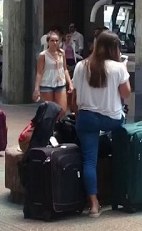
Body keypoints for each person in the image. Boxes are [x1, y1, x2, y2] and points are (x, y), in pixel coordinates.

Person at [72, 31, 130, 217]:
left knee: (89, 161)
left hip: (87, 118)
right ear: (115, 48)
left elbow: (74, 95)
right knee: (121, 148)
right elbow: (126, 94)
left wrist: (76, 114)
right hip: (112, 119)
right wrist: (124, 69)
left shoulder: (81, 66)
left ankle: (94, 204)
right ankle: (122, 191)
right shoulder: (118, 68)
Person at [33, 31, 74, 112]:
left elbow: (65, 68)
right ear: (48, 42)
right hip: (47, 84)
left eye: (56, 40)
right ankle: (50, 124)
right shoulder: (43, 55)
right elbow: (39, 72)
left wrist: (70, 83)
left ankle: (57, 123)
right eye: (52, 40)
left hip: (60, 83)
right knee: (49, 110)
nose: (55, 43)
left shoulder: (62, 52)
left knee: (62, 110)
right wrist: (36, 88)